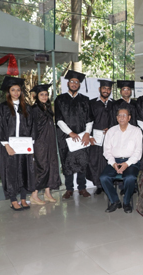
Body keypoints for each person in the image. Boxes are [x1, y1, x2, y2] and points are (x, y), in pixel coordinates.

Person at [0, 76, 35, 211]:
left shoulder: (27, 108)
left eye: (18, 90)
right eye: (13, 90)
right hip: (9, 146)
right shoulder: (3, 108)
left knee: (24, 170)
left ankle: (23, 198)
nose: (16, 92)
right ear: (9, 92)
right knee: (11, 172)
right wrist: (6, 145)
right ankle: (13, 200)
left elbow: (32, 126)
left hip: (24, 145)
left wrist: (31, 143)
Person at [55, 70, 93, 199]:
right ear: (68, 83)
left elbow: (89, 119)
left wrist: (87, 133)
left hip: (82, 135)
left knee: (82, 161)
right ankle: (69, 189)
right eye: (72, 81)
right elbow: (59, 119)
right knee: (67, 162)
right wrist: (70, 133)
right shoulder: (60, 99)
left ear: (79, 85)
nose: (74, 84)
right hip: (65, 137)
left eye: (77, 82)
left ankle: (82, 188)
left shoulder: (85, 100)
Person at [100, 108, 143, 213]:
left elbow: (138, 152)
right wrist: (113, 163)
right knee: (104, 177)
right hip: (114, 161)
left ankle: (127, 202)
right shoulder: (111, 131)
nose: (122, 117)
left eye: (125, 115)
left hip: (131, 162)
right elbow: (106, 151)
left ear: (129, 117)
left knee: (130, 177)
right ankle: (115, 201)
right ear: (116, 118)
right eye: (120, 115)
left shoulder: (136, 131)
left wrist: (126, 164)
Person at [29, 84, 61, 205]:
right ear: (36, 96)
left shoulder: (47, 108)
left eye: (46, 94)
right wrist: (32, 143)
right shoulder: (34, 109)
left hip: (50, 141)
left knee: (51, 166)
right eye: (41, 94)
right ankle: (34, 195)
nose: (44, 96)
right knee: (41, 168)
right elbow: (31, 127)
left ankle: (47, 193)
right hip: (39, 142)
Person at [87, 80, 115, 195]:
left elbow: (118, 120)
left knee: (109, 159)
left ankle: (109, 183)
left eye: (108, 89)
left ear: (110, 91)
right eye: (104, 88)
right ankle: (99, 184)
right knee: (97, 160)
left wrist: (111, 128)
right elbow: (88, 120)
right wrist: (89, 135)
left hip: (111, 136)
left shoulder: (114, 103)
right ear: (99, 89)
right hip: (96, 137)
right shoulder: (92, 103)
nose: (106, 91)